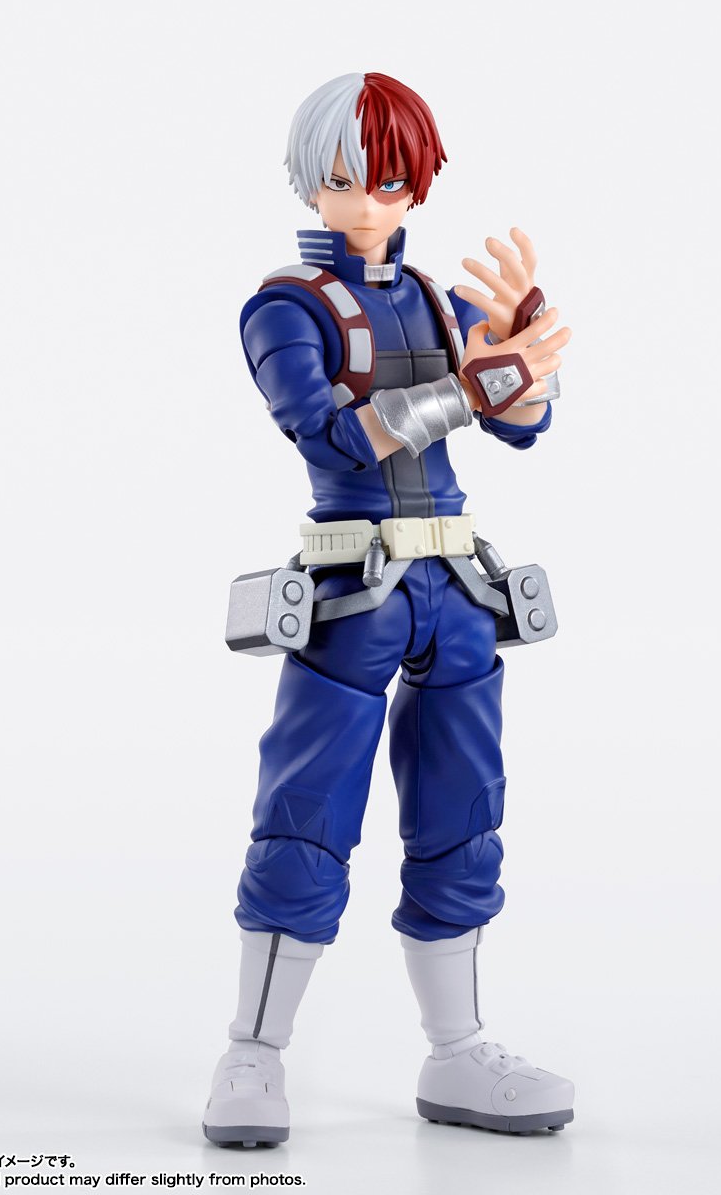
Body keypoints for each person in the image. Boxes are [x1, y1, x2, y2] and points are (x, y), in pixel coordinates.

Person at [203, 72, 574, 1146]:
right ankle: (254, 1052)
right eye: (344, 177)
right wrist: (476, 386)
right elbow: (327, 433)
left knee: (464, 818)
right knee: (306, 816)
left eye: (392, 179)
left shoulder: (440, 303)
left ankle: (458, 1050)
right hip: (351, 590)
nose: (368, 199)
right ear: (309, 180)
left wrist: (520, 349)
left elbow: (523, 427)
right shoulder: (285, 306)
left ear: (419, 183)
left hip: (457, 588)